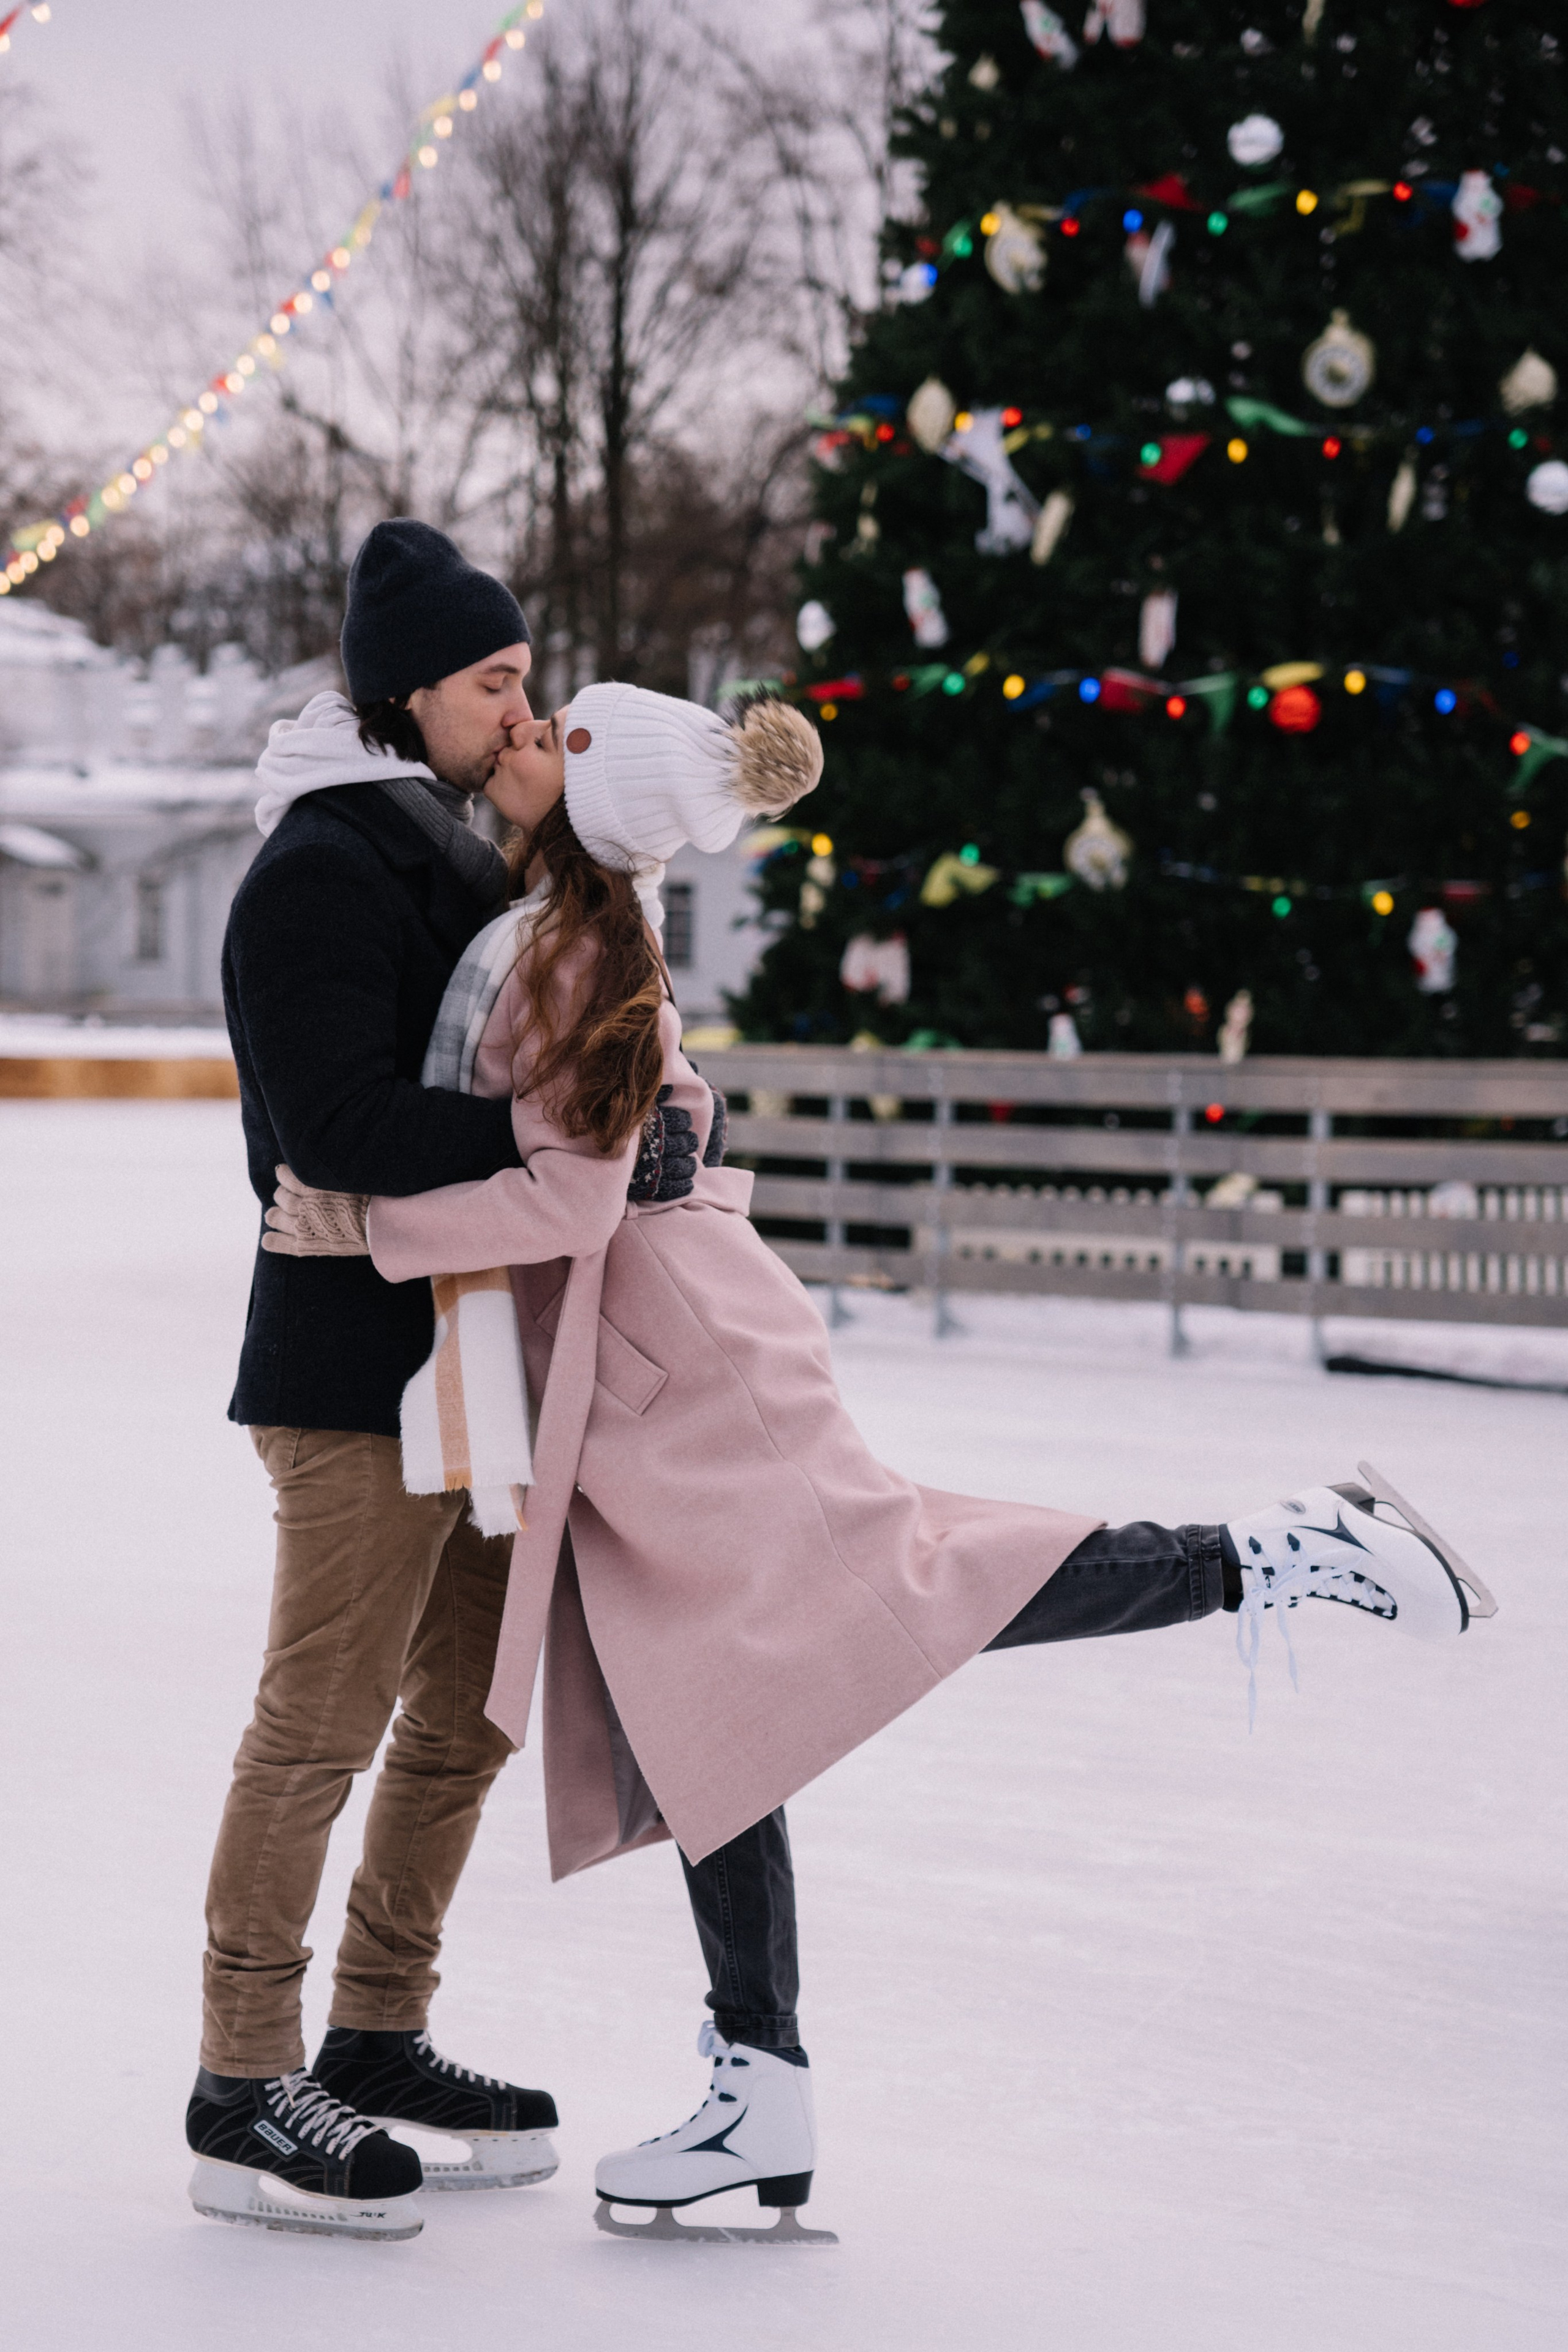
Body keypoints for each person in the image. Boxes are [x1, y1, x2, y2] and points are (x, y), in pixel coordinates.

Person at [267, 679, 1495, 2244]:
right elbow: (654, 1110)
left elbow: (571, 1197)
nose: (519, 738)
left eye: (551, 738)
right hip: (663, 1359)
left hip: (688, 1373)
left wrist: (368, 1226)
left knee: (902, 1589)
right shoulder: (577, 919)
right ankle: (757, 2081)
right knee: (727, 1698)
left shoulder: (575, 936)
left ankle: (1269, 1551)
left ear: (597, 802)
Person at [186, 523, 699, 2245]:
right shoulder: (323, 865)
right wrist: (564, 1135)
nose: (525, 707)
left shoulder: (464, 858)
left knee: (468, 1711)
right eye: (496, 681)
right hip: (346, 1361)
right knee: (318, 1724)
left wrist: (634, 1113)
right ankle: (245, 2072)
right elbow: (332, 1125)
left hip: (473, 1350)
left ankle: (379, 2034)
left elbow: (547, 1045)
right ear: (414, 692)